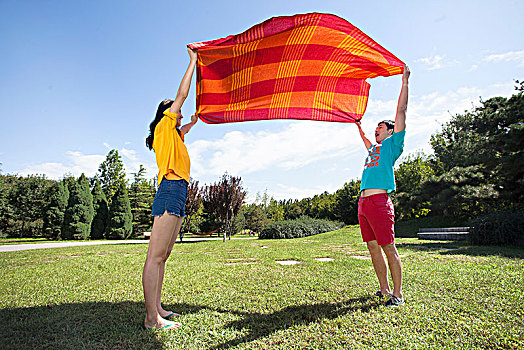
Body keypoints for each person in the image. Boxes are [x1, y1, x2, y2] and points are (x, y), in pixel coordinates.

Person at [142, 48, 199, 330]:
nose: (178, 112)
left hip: (178, 191)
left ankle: (158, 308)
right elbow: (182, 96)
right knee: (155, 256)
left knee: (164, 255)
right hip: (169, 188)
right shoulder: (164, 126)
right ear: (165, 113)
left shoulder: (176, 135)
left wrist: (198, 118)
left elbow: (188, 126)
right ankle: (151, 319)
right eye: (173, 108)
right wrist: (193, 63)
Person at [355, 65, 410, 306]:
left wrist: (405, 82)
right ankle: (384, 289)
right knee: (373, 249)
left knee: (388, 248)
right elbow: (366, 141)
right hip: (363, 204)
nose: (376, 129)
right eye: (375, 126)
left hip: (379, 203)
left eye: (380, 126)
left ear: (390, 131)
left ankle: (398, 295)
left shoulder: (392, 145)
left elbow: (401, 110)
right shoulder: (374, 149)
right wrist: (357, 125)